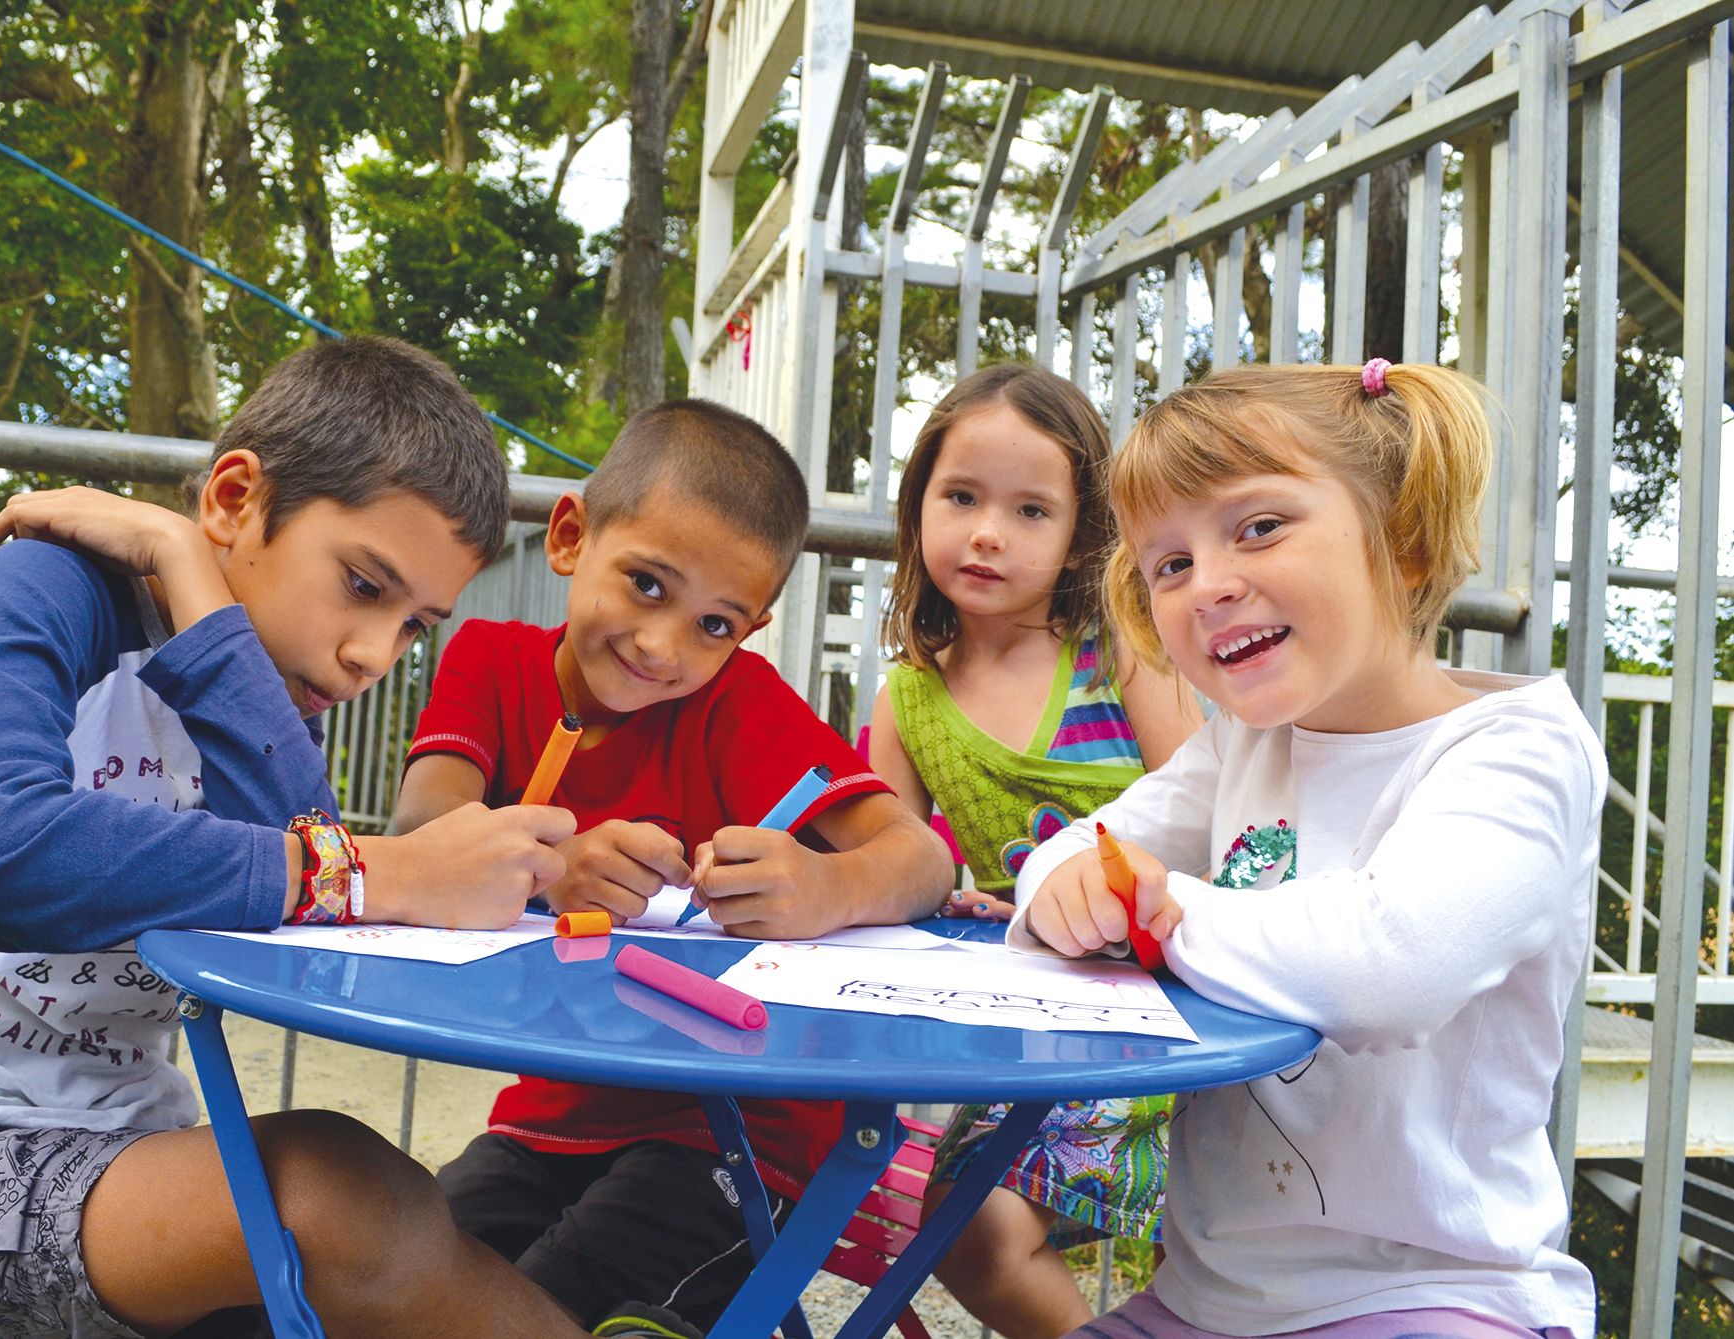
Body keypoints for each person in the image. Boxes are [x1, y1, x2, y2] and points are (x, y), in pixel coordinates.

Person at [0, 335, 702, 1339]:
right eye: (364, 586)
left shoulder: (250, 698)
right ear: (236, 498)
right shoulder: (33, 590)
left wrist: (195, 588)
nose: (373, 655)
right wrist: (381, 869)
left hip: (112, 1166)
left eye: (415, 625)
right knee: (340, 1196)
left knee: (371, 1263)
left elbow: (306, 888)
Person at [1015, 360, 1601, 1339]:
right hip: (1203, 1302)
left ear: (1403, 542)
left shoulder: (1515, 750)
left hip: (1435, 1295)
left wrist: (1160, 915)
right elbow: (1080, 847)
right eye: (1168, 564)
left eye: (1257, 527)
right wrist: (1064, 884)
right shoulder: (1241, 746)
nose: (1208, 584)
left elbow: (1390, 966)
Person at [395, 397, 954, 1331]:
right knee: (392, 1277)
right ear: (570, 536)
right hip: (548, 1111)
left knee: (527, 1311)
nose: (663, 647)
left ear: (752, 628)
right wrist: (551, 866)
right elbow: (423, 824)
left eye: (714, 624)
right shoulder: (490, 662)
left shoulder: (738, 703)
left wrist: (824, 885)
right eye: (647, 584)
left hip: (738, 1134)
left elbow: (922, 857)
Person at [867, 363, 1200, 1338]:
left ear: (1079, 535)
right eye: (960, 497)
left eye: (1028, 510)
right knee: (964, 1227)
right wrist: (945, 896)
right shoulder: (907, 697)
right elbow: (890, 864)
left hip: (1175, 1007)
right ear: (917, 504)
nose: (986, 532)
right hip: (1029, 1021)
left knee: (1214, 1253)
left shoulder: (1117, 649)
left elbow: (1207, 810)